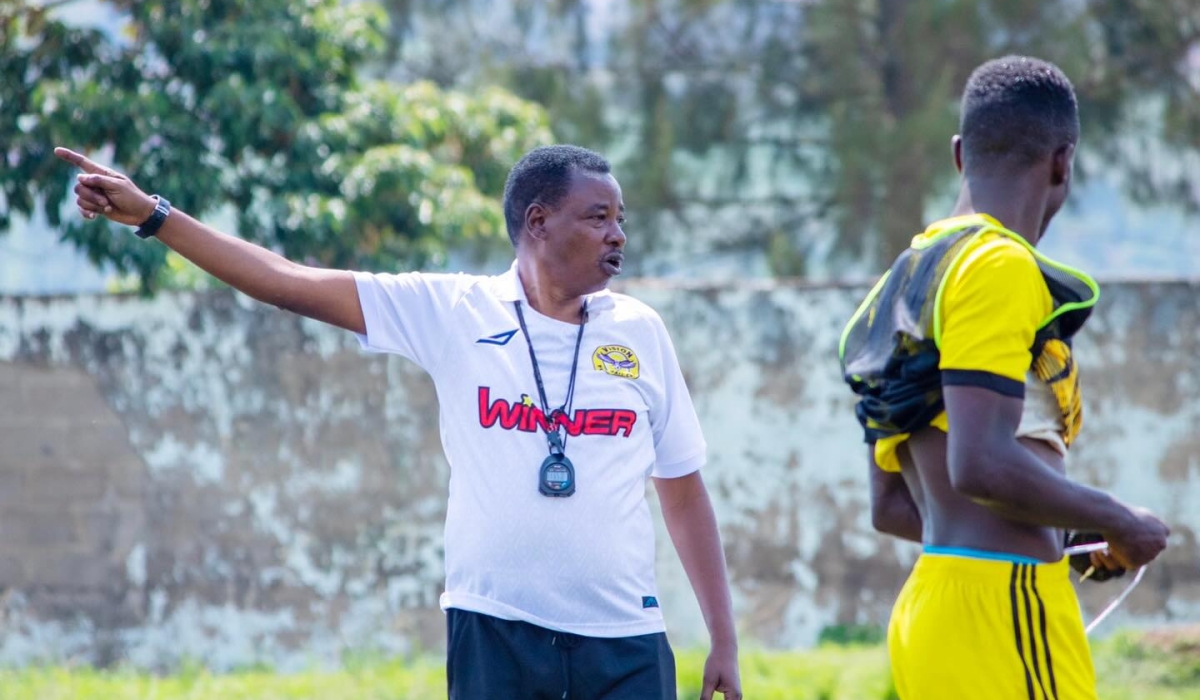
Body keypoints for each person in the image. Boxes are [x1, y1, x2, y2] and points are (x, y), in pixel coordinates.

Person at [58, 144, 742, 700]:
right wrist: (154, 216)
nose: (618, 234)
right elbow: (283, 280)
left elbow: (682, 493)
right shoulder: (452, 312)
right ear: (538, 222)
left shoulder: (643, 333)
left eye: (621, 219)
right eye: (599, 217)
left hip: (625, 642)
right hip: (495, 631)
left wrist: (724, 638)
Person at [838, 56, 1170, 700]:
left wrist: (1074, 533)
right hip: (1003, 603)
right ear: (1062, 163)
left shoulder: (905, 279)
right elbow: (981, 465)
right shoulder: (999, 266)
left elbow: (892, 507)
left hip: (933, 607)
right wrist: (1119, 519)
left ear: (960, 155)